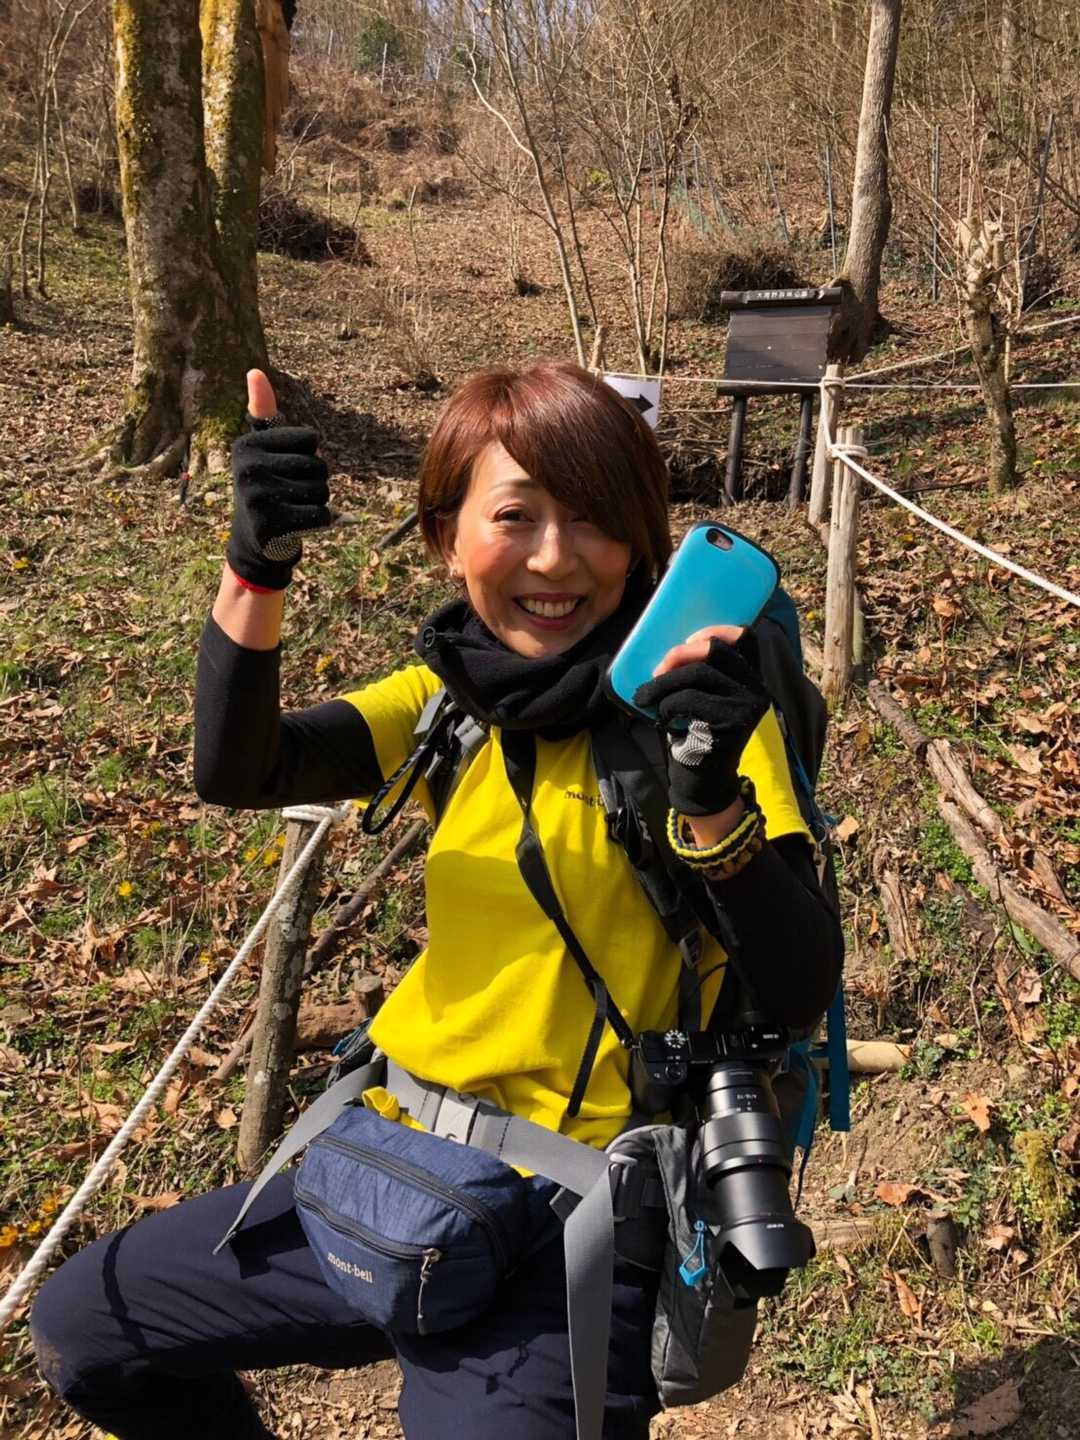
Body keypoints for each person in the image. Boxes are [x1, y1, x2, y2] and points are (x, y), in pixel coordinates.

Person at [31, 361, 842, 1440]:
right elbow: (241, 766)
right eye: (516, 516)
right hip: (393, 1160)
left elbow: (796, 983)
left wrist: (707, 802)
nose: (555, 558)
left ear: (642, 545)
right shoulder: (451, 702)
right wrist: (255, 567)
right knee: (90, 1329)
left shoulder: (700, 719)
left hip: (577, 1220)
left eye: (596, 521)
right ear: (445, 538)